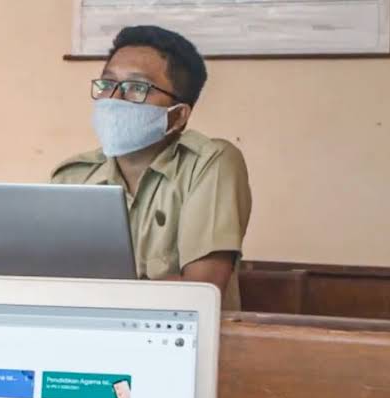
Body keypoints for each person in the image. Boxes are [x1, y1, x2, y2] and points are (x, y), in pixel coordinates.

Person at [52, 25, 252, 310]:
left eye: (137, 88)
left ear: (177, 116)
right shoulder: (73, 176)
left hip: (180, 344)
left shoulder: (210, 163)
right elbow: (46, 280)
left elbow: (200, 290)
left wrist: (94, 295)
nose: (114, 99)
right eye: (108, 84)